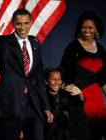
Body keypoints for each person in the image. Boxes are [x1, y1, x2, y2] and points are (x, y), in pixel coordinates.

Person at [0, 9, 53, 140]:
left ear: (31, 23)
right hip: (10, 103)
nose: (23, 27)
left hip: (33, 104)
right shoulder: (4, 42)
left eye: (26, 23)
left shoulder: (35, 43)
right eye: (19, 23)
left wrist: (46, 107)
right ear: (13, 24)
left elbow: (38, 77)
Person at [60, 10, 106, 140]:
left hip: (96, 101)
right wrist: (71, 89)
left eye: (90, 27)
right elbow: (62, 77)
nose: (86, 30)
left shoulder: (101, 49)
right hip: (77, 100)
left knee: (98, 135)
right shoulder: (72, 47)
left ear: (96, 29)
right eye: (83, 27)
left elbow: (103, 79)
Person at [44, 67, 90, 140]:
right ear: (46, 81)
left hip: (66, 132)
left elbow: (79, 105)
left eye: (59, 79)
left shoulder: (64, 94)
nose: (57, 82)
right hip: (49, 133)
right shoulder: (42, 96)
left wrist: (80, 93)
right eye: (53, 79)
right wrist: (46, 111)